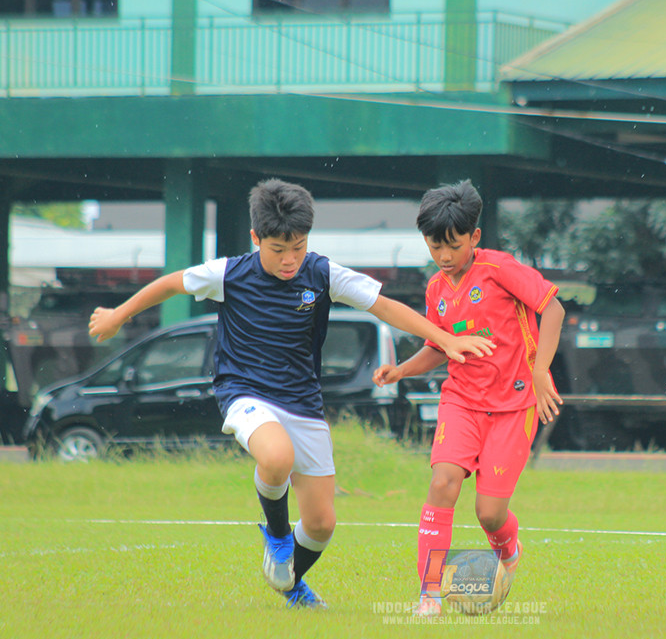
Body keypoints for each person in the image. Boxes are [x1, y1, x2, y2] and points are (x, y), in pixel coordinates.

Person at [88, 179, 494, 610]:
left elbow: (385, 306)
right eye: (278, 248)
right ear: (255, 238)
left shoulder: (320, 273)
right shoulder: (229, 274)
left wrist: (445, 340)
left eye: (298, 247)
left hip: (302, 402)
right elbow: (170, 284)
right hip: (244, 392)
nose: (289, 259)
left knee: (321, 524)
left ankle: (291, 584)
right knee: (276, 457)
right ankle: (278, 536)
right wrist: (117, 315)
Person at [372, 179, 565, 616]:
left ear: (474, 237)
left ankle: (509, 548)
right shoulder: (436, 290)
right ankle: (430, 594)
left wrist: (539, 372)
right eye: (433, 245)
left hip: (514, 407)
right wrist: (401, 368)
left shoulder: (500, 269)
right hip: (461, 401)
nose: (443, 256)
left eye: (452, 246)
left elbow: (553, 308)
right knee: (442, 483)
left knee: (489, 513)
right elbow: (440, 347)